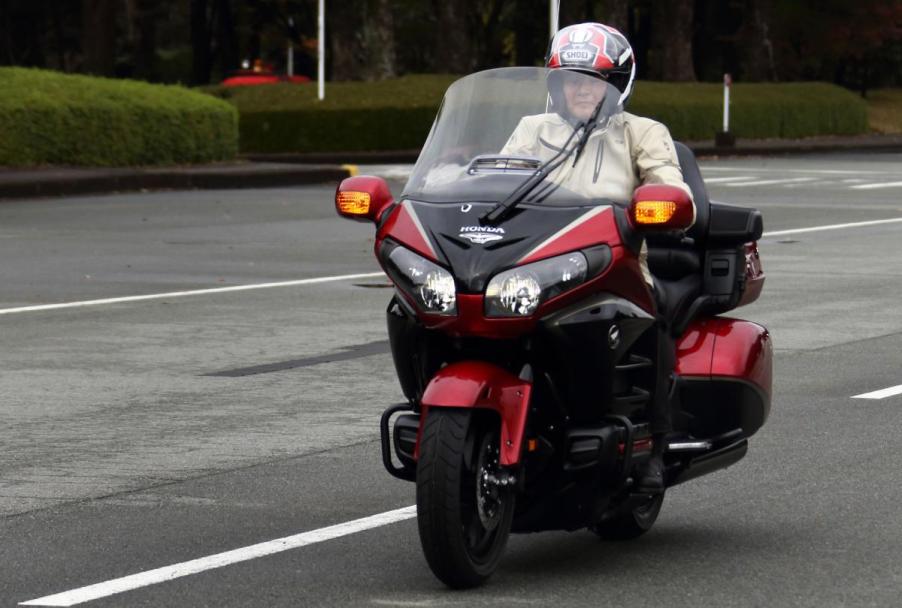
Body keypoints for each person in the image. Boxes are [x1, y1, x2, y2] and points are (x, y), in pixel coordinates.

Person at [502, 22, 696, 493]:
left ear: (615, 85)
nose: (582, 90)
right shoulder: (533, 129)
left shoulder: (641, 132)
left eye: (592, 81)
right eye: (572, 80)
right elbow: (499, 179)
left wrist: (658, 199)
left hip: (615, 263)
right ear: (557, 85)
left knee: (649, 321)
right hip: (536, 261)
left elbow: (668, 181)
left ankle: (655, 444)